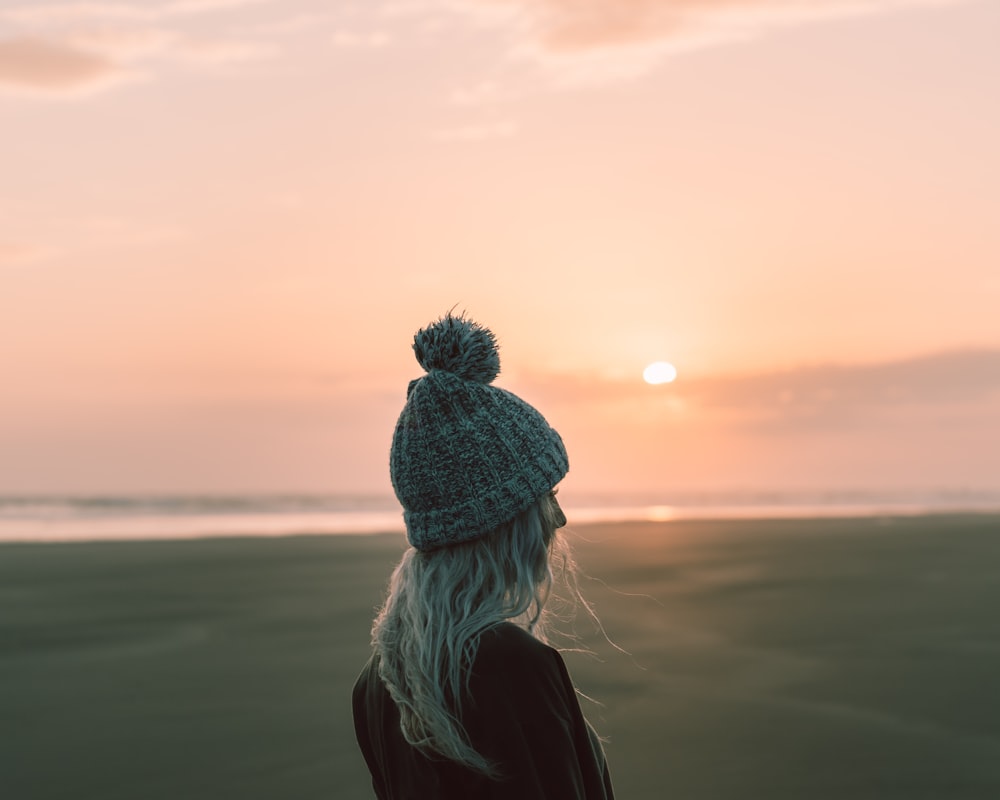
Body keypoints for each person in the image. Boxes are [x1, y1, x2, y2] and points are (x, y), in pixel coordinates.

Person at [352, 312, 615, 799]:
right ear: (501, 521)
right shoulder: (509, 664)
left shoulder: (381, 680)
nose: (557, 520)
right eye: (546, 496)